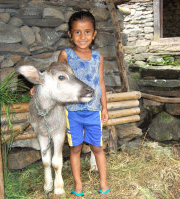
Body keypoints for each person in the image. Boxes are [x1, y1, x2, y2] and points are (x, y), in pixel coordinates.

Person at [57, 10, 110, 199]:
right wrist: (39, 86)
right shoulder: (66, 54)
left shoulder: (98, 58)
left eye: (87, 31)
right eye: (77, 32)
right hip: (73, 112)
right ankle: (78, 185)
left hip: (94, 111)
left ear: (94, 34)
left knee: (97, 148)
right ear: (70, 34)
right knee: (75, 148)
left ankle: (103, 183)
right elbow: (57, 76)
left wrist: (104, 107)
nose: (82, 36)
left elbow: (101, 83)